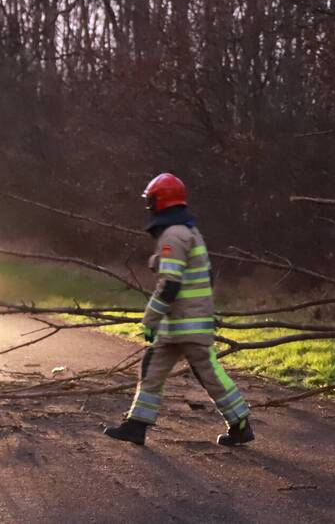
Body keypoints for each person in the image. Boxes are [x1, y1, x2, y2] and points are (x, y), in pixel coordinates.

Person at [104, 173, 253, 447]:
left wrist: (150, 319)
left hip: (184, 324)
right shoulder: (189, 233)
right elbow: (201, 276)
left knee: (208, 375)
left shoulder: (173, 236)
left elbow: (170, 285)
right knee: (154, 371)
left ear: (160, 201)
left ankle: (240, 422)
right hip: (181, 325)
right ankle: (136, 426)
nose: (149, 206)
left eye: (151, 200)